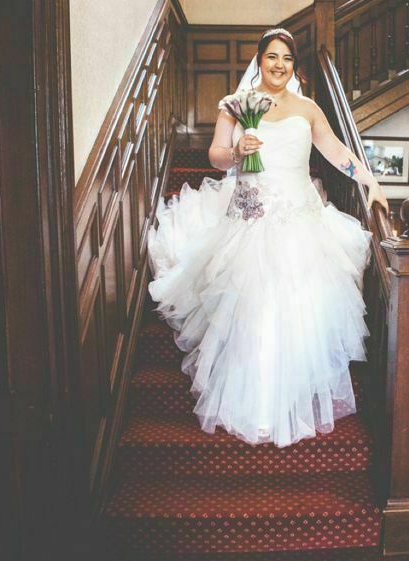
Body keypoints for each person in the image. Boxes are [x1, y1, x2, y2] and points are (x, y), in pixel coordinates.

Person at [146, 27, 392, 447]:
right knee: (253, 309)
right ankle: (254, 405)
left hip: (299, 219)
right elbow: (216, 156)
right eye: (272, 57)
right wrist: (238, 151)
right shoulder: (235, 105)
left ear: (293, 66)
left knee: (299, 309)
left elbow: (334, 149)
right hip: (250, 217)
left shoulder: (308, 107)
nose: (279, 65)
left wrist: (367, 177)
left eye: (287, 59)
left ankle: (292, 398)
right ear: (259, 60)